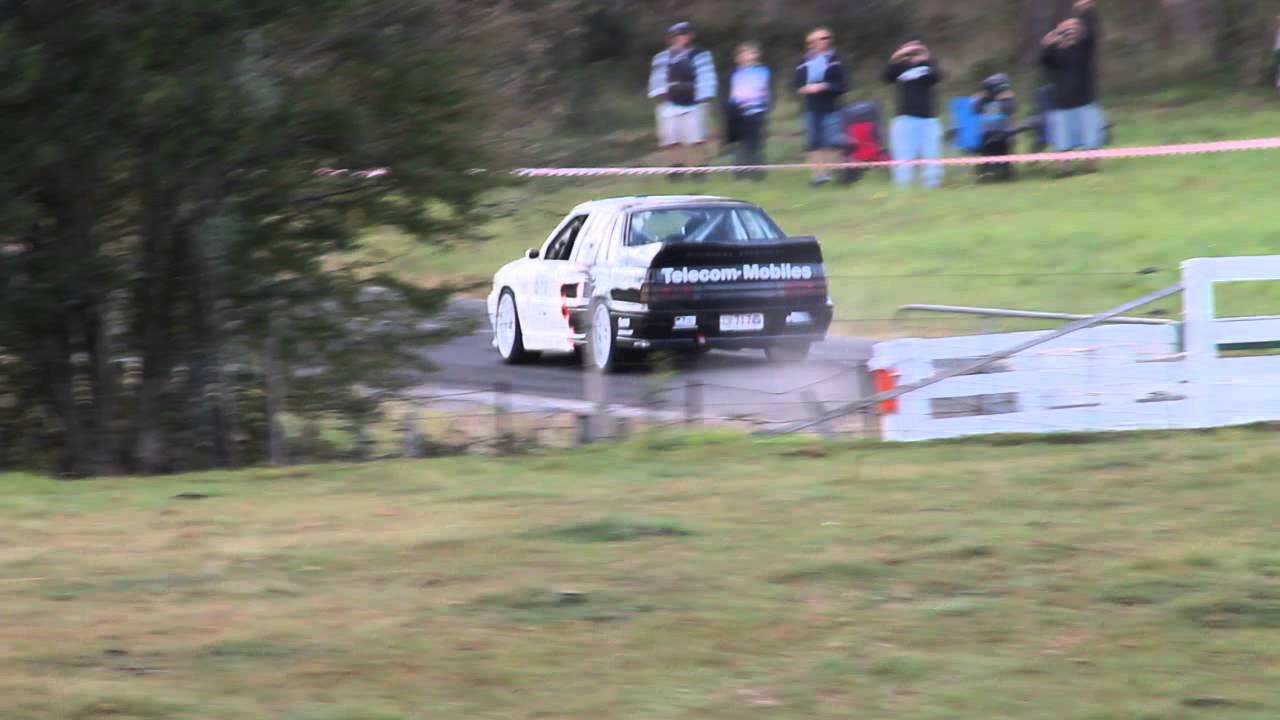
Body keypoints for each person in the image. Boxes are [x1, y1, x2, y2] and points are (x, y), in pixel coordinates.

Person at [1040, 0, 1104, 175]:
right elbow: (1045, 62)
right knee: (1062, 141)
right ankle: (1064, 169)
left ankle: (1091, 167)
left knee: (1091, 139)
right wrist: (1047, 46)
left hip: (1085, 101)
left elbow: (1092, 34)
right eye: (1065, 32)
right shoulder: (1056, 53)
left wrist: (1086, 12)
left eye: (1072, 31)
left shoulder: (1085, 49)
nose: (1069, 35)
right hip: (1062, 104)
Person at [648, 21, 717, 181]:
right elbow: (658, 81)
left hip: (694, 103)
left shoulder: (701, 55)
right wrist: (662, 97)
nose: (681, 38)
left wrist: (703, 97)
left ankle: (698, 171)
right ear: (672, 38)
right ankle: (675, 171)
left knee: (696, 139)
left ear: (690, 36)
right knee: (672, 140)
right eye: (677, 35)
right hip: (670, 104)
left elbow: (707, 78)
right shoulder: (662, 57)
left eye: (684, 34)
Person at [883, 39, 943, 188]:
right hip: (904, 119)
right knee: (902, 157)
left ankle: (932, 187)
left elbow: (937, 77)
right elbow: (886, 77)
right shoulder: (899, 68)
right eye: (909, 48)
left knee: (932, 155)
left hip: (928, 119)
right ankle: (904, 188)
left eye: (916, 48)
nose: (913, 52)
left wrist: (926, 57)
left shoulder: (928, 66)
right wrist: (898, 55)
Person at [793, 27, 847, 186]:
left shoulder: (836, 59)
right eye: (815, 40)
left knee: (834, 142)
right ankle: (818, 176)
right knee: (813, 143)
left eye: (824, 38)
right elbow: (796, 83)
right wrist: (802, 88)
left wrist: (825, 86)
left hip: (832, 107)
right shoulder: (803, 61)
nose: (820, 42)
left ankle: (832, 172)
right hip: (811, 108)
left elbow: (843, 85)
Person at [726, 42, 771, 181]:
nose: (747, 56)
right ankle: (740, 174)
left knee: (756, 144)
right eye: (744, 53)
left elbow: (761, 89)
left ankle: (757, 174)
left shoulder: (762, 71)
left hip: (756, 111)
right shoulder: (736, 74)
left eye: (750, 52)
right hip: (738, 112)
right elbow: (734, 92)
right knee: (741, 145)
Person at [972, 73, 1018, 182]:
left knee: (1004, 151)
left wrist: (1004, 99)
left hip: (1003, 133)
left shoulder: (1007, 98)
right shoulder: (983, 99)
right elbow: (977, 109)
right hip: (987, 134)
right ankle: (984, 175)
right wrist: (981, 98)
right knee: (986, 152)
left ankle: (1005, 174)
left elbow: (1010, 109)